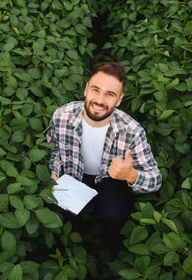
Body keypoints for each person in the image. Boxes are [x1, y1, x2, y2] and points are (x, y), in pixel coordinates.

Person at [46, 62, 162, 254]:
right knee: (65, 215)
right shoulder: (62, 116)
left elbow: (155, 179)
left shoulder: (132, 130)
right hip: (74, 175)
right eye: (96, 90)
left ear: (119, 100)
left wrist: (131, 175)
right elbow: (54, 148)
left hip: (110, 179)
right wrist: (54, 172)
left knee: (113, 217)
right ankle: (72, 247)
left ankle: (112, 246)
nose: (100, 100)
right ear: (86, 90)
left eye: (110, 94)